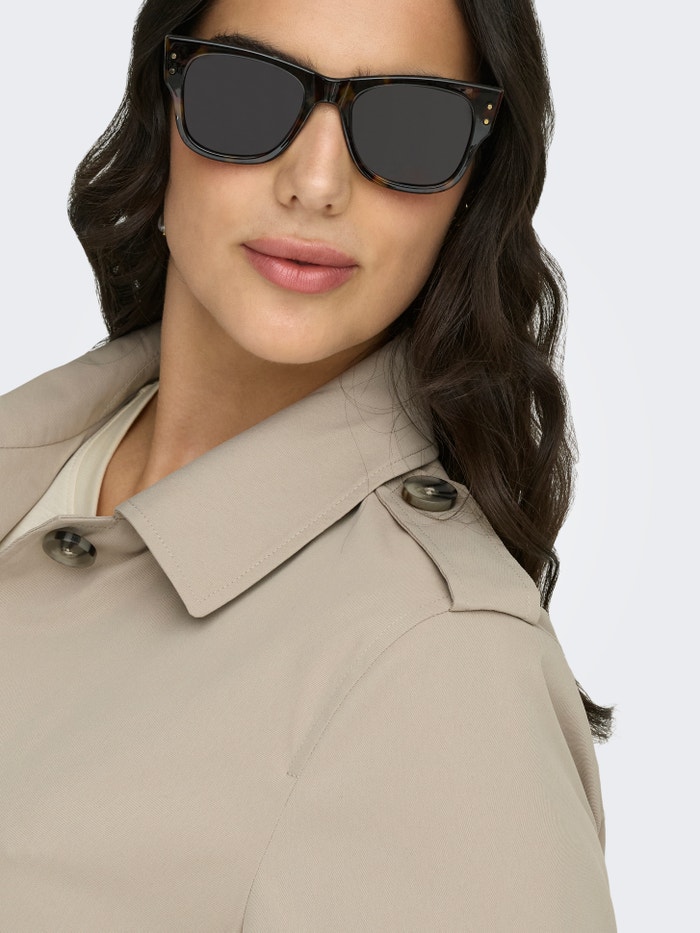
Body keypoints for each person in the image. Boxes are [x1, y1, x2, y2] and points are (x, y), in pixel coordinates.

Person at [0, 0, 617, 928]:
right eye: (248, 95)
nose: (316, 183)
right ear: (162, 103)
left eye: (408, 125)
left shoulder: (447, 675)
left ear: (474, 180)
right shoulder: (40, 460)